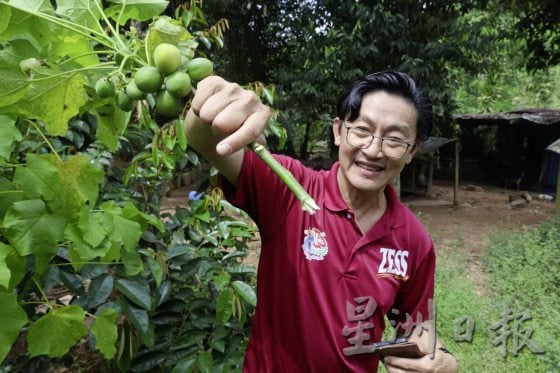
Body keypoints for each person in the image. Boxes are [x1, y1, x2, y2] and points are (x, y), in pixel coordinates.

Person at [184, 71, 458, 373]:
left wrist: (440, 357)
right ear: (339, 131)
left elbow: (416, 325)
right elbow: (203, 139)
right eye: (362, 130)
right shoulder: (289, 187)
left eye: (394, 138)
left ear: (412, 151)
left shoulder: (414, 241)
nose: (373, 150)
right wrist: (209, 108)